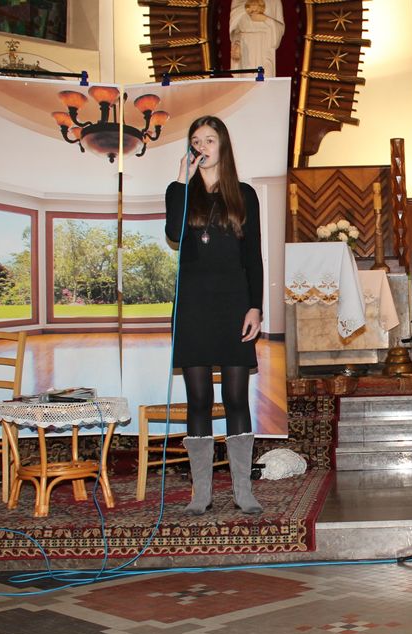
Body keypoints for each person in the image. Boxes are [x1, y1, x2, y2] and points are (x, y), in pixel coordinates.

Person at [165, 115, 264, 515]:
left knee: (235, 396)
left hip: (234, 303)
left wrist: (255, 306)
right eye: (196, 140)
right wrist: (181, 180)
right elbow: (174, 233)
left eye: (209, 139)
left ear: (222, 145)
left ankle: (243, 490)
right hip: (193, 305)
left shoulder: (244, 194)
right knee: (199, 399)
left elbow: (253, 255)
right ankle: (201, 493)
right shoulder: (181, 191)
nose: (202, 146)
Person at [230, 0, 284, 77]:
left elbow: (279, 30)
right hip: (245, 49)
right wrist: (236, 44)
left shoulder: (274, 2)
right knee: (246, 81)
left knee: (265, 79)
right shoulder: (238, 1)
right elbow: (236, 30)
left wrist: (265, 19)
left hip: (264, 47)